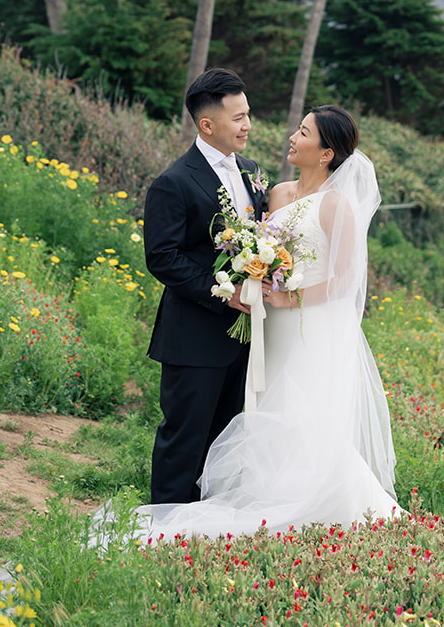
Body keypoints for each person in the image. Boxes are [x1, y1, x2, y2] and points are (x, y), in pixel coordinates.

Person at [125, 103, 400, 543]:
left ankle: (306, 500)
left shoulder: (335, 206)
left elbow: (346, 280)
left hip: (307, 327)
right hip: (265, 328)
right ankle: (208, 508)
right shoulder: (274, 192)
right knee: (265, 411)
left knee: (302, 414)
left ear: (326, 153)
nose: (292, 136)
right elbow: (247, 242)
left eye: (304, 132)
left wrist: (287, 298)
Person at [141, 68, 268, 505]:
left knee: (226, 442)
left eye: (248, 114)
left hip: (246, 339)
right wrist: (224, 294)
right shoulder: (173, 182)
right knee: (184, 440)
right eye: (238, 117)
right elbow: (163, 257)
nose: (247, 124)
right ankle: (163, 531)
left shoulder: (252, 173)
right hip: (194, 336)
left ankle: (205, 532)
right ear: (207, 124)